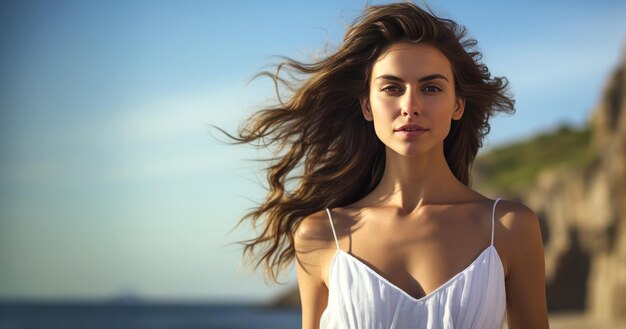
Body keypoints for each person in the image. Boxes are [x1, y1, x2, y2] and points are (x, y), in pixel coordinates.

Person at [230, 2, 549, 329]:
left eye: (431, 88)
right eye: (392, 88)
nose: (410, 106)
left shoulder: (508, 227)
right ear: (367, 106)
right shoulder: (322, 234)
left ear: (458, 105)